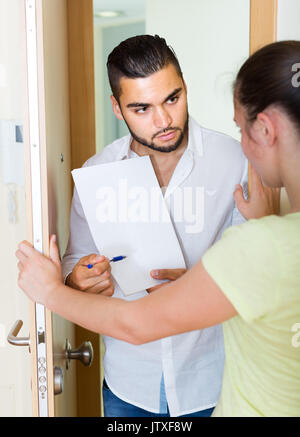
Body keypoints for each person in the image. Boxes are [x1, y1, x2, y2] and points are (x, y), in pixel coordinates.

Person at [16, 39, 297, 418]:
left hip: (209, 380)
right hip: (129, 384)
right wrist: (77, 280)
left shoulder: (237, 160)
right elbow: (75, 260)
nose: (163, 120)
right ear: (117, 108)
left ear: (185, 86)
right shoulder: (97, 173)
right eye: (141, 108)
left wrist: (199, 282)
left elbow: (257, 272)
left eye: (172, 98)